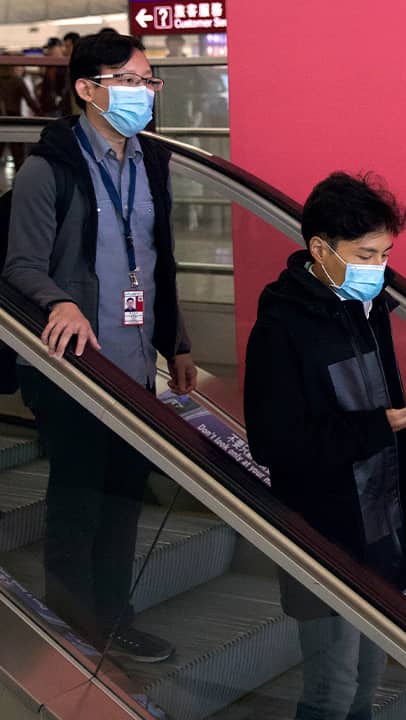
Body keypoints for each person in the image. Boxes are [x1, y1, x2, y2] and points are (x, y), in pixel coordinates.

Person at [3, 31, 194, 663]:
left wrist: (178, 343)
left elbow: (159, 263)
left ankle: (114, 619)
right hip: (74, 370)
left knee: (122, 502)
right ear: (88, 90)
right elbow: (20, 265)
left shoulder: (151, 161)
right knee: (79, 502)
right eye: (130, 81)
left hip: (135, 366)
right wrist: (58, 299)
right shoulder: (47, 170)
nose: (144, 94)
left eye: (148, 81)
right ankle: (70, 628)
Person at [244, 171, 406, 720]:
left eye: (384, 254)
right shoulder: (282, 327)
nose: (378, 269)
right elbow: (273, 442)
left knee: (368, 682)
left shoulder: (367, 306)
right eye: (365, 254)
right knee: (331, 689)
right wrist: (381, 426)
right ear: (320, 249)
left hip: (383, 522)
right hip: (325, 534)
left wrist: (395, 422)